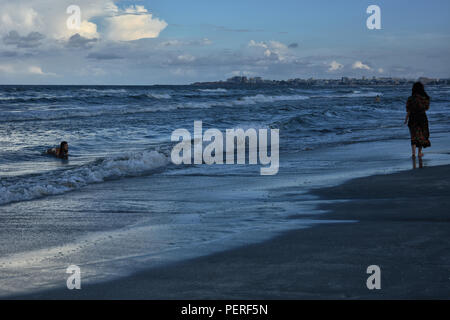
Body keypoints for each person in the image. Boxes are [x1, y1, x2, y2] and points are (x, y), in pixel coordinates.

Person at [404, 82, 430, 158]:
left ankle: (413, 153)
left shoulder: (410, 98)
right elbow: (427, 108)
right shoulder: (425, 98)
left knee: (413, 136)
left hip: (412, 118)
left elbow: (408, 110)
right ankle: (419, 153)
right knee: (421, 135)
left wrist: (406, 119)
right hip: (422, 117)